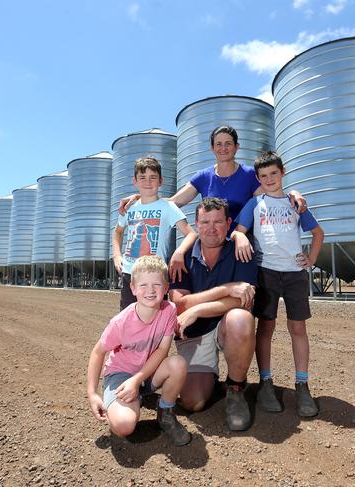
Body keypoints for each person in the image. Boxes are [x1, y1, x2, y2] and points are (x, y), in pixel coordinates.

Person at [117, 125, 306, 282]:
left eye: (228, 144)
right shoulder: (203, 176)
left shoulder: (249, 175)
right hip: (211, 240)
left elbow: (271, 196)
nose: (223, 148)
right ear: (212, 148)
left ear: (237, 147)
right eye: (218, 144)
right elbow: (174, 202)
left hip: (240, 243)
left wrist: (293, 193)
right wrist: (140, 197)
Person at [232, 151, 324, 417]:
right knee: (266, 327)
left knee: (297, 327)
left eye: (274, 173)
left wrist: (312, 258)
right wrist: (239, 237)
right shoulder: (255, 203)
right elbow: (239, 229)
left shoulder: (296, 205)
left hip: (294, 273)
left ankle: (303, 384)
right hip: (266, 272)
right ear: (259, 179)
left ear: (282, 173)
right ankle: (266, 382)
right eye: (263, 176)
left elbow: (318, 233)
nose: (269, 179)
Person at [168, 197, 257, 431]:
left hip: (225, 327)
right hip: (194, 334)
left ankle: (236, 388)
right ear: (196, 224)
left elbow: (243, 298)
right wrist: (227, 289)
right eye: (205, 221)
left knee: (241, 317)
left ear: (228, 223)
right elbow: (180, 304)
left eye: (218, 221)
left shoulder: (242, 250)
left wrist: (198, 308)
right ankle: (212, 380)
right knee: (192, 402)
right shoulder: (181, 258)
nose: (211, 228)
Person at [86, 255, 191, 446]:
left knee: (178, 364)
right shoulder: (121, 322)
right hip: (121, 374)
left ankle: (165, 413)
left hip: (146, 373)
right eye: (143, 285)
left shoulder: (169, 310)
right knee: (124, 426)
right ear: (133, 288)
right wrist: (92, 394)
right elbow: (97, 352)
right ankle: (127, 402)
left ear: (166, 287)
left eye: (157, 285)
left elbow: (162, 351)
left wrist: (138, 380)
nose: (150, 291)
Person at [113, 156, 195, 310]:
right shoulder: (129, 208)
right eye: (142, 177)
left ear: (161, 181)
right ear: (135, 181)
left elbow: (191, 234)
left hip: (156, 274)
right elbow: (118, 232)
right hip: (131, 273)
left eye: (153, 177)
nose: (148, 182)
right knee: (129, 317)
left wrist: (179, 252)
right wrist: (117, 255)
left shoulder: (168, 207)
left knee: (154, 319)